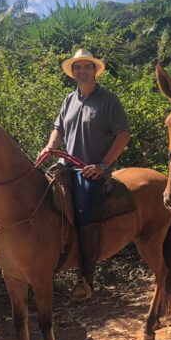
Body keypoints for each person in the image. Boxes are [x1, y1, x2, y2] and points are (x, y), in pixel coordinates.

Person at [39, 49, 131, 301]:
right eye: (77, 67)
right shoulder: (69, 99)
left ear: (94, 70)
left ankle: (86, 276)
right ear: (73, 72)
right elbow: (58, 128)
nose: (82, 71)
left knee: (84, 211)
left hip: (90, 170)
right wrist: (50, 145)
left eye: (86, 67)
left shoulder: (109, 100)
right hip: (65, 166)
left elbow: (123, 135)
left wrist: (102, 165)